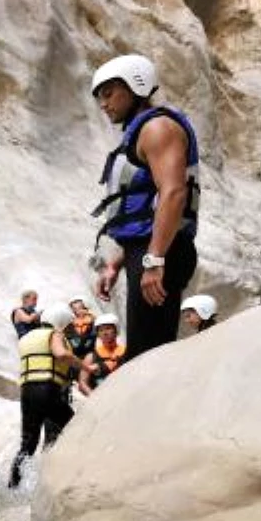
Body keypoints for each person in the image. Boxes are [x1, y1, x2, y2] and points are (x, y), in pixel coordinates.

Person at [90, 54, 200, 362]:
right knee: (143, 351)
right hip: (150, 250)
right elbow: (148, 213)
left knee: (147, 357)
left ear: (136, 85)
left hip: (163, 252)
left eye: (109, 92)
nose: (103, 103)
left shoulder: (158, 128)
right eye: (100, 96)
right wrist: (119, 262)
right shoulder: (143, 131)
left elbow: (173, 193)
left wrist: (154, 259)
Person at [9, 306, 98, 488]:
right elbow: (61, 354)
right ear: (60, 322)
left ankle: (13, 485)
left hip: (27, 393)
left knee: (28, 445)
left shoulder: (28, 337)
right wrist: (86, 368)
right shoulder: (54, 334)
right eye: (68, 326)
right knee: (76, 428)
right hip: (46, 390)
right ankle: (81, 475)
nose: (69, 329)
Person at [78, 313, 126, 396]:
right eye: (101, 330)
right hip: (103, 397)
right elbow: (82, 383)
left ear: (116, 330)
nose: (104, 333)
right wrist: (95, 398)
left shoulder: (126, 351)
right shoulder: (91, 357)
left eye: (108, 328)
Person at [66, 295, 97, 360]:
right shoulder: (70, 320)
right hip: (75, 347)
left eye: (80, 307)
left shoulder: (91, 317)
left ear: (85, 307)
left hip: (89, 345)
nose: (78, 310)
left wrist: (89, 314)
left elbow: (97, 325)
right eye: (75, 308)